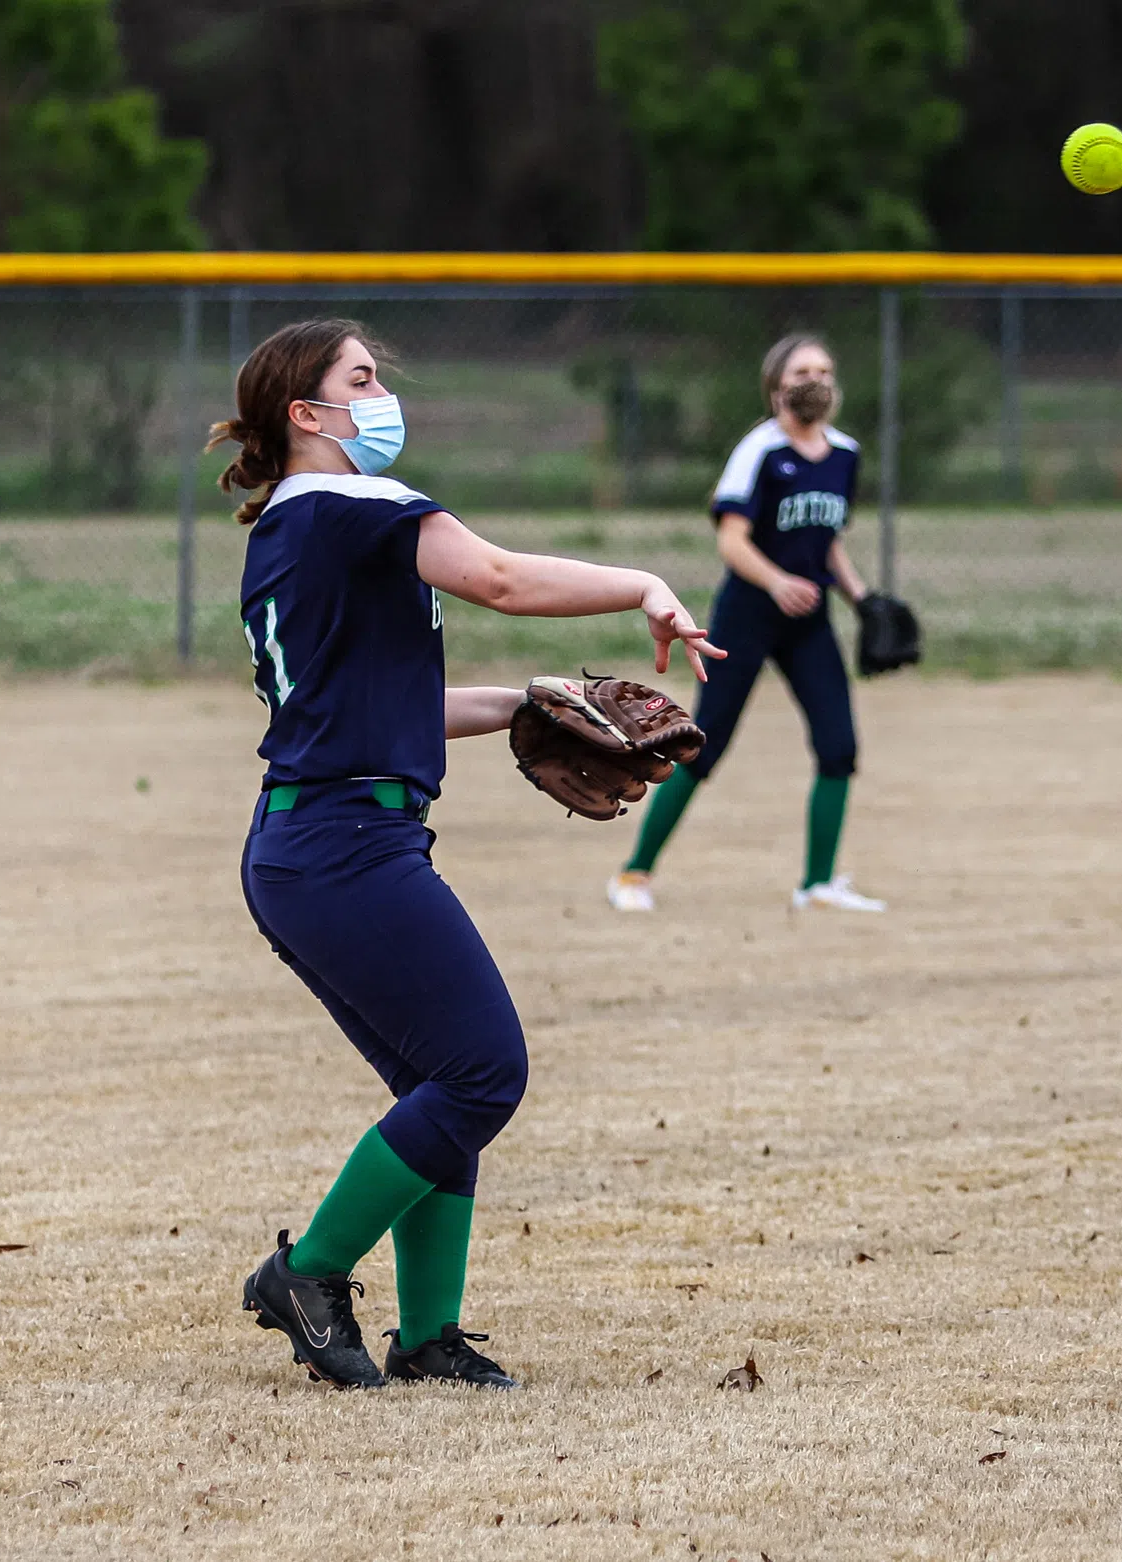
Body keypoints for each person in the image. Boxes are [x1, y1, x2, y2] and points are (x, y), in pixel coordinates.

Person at [215, 319, 720, 1391]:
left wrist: (528, 703)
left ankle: (430, 1335)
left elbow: (382, 705)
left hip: (315, 838)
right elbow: (497, 577)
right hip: (343, 842)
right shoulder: (352, 505)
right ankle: (306, 1273)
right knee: (483, 1071)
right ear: (305, 413)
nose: (381, 394)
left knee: (441, 1080)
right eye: (360, 379)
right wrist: (640, 582)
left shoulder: (290, 528)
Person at [606, 334, 887, 916]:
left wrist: (862, 599)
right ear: (776, 384)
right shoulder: (759, 450)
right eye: (802, 371)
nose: (816, 381)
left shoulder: (844, 454)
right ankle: (634, 874)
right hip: (749, 613)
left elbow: (827, 541)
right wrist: (778, 582)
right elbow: (732, 541)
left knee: (839, 746)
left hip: (808, 619)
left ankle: (817, 884)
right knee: (704, 745)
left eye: (824, 370)